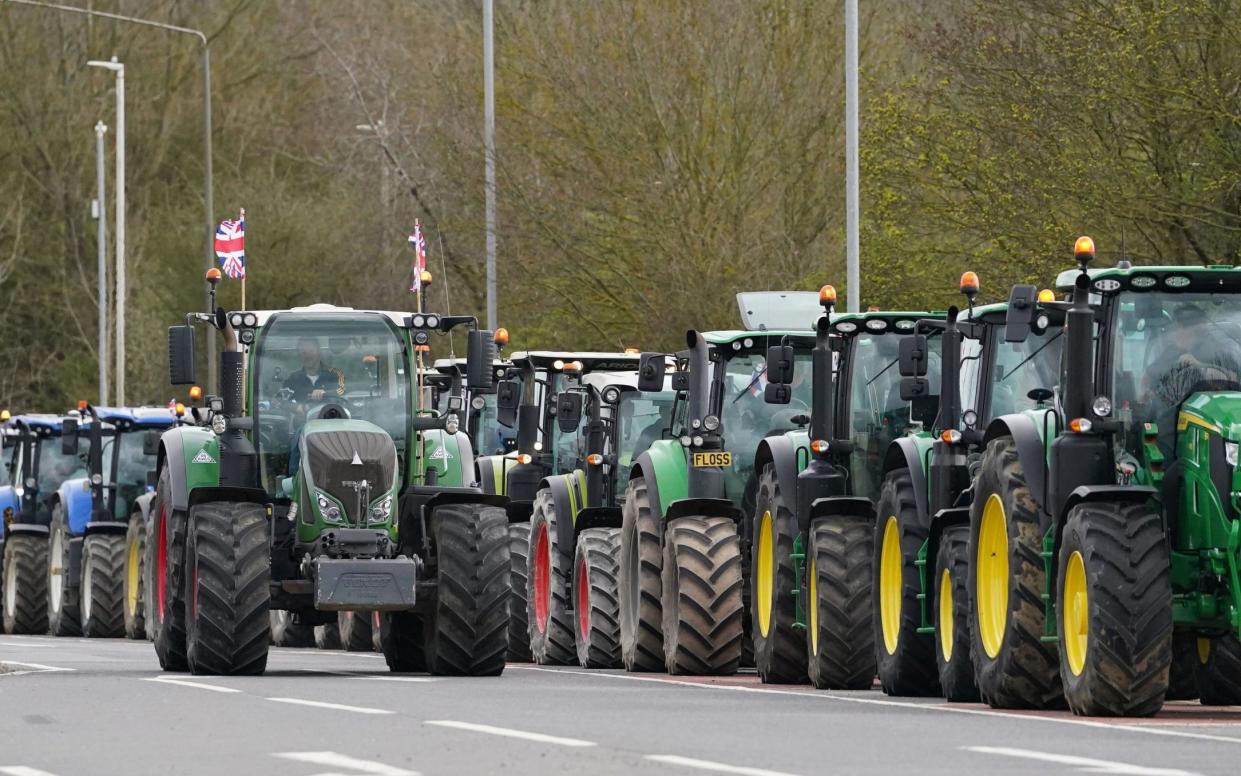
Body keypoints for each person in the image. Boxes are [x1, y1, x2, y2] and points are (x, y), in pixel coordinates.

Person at [284, 337, 346, 402]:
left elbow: (344, 390)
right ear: (299, 355)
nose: (308, 356)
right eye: (303, 352)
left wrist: (325, 393)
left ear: (319, 352)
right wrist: (296, 408)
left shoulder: (336, 374)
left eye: (311, 351)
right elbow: (280, 400)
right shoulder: (292, 378)